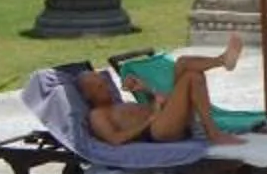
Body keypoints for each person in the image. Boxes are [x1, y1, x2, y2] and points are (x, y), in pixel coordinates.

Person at [76, 32, 243, 145]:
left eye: (103, 82)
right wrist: (150, 119)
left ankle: (223, 60)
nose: (105, 86)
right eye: (99, 86)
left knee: (183, 63)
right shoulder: (97, 116)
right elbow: (115, 139)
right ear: (88, 94)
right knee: (192, 77)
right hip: (157, 131)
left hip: (165, 117)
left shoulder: (117, 105)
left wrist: (146, 89)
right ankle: (213, 134)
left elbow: (153, 106)